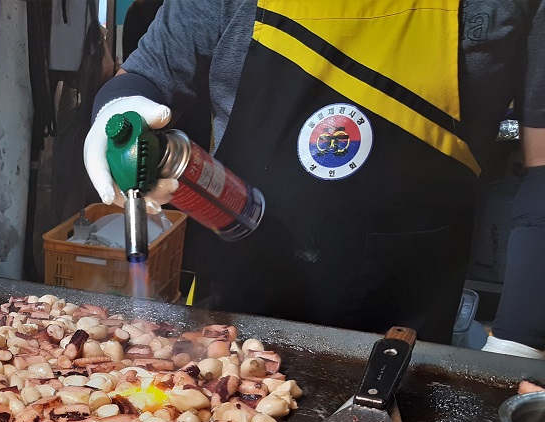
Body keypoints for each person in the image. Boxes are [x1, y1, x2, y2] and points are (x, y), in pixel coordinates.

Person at [85, 0, 544, 354]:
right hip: (233, 319)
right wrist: (120, 108)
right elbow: (148, 74)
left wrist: (523, 334)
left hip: (405, 330)